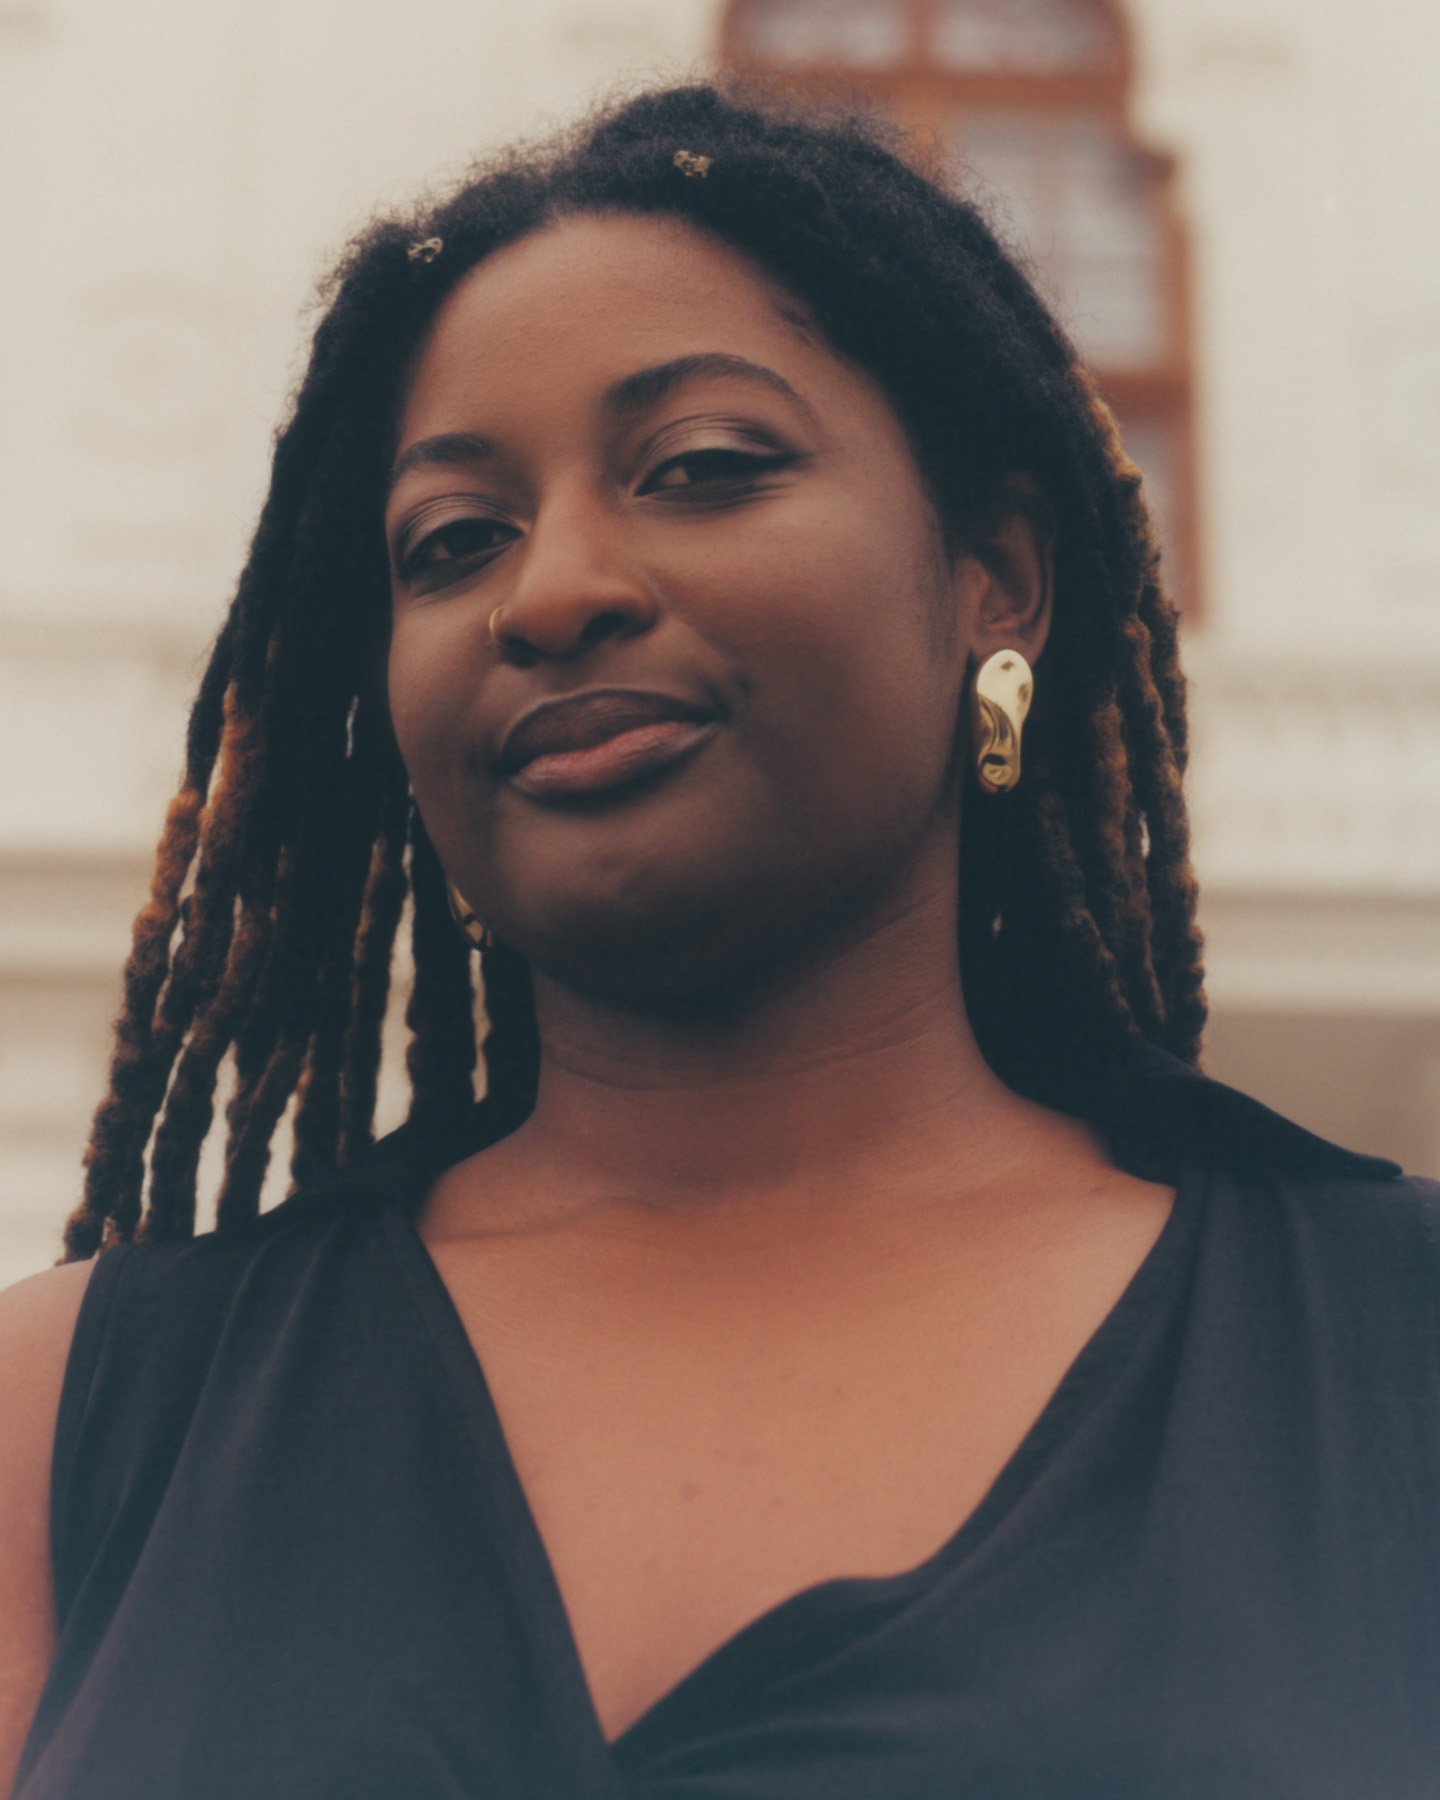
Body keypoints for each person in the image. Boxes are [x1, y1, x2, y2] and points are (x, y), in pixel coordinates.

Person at [1, 80, 1436, 1800]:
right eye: (454, 542)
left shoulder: (1388, 1348)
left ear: (996, 580)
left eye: (701, 469)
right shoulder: (68, 1419)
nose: (549, 593)